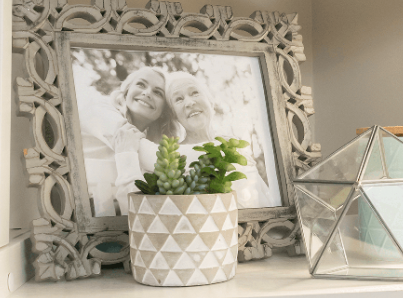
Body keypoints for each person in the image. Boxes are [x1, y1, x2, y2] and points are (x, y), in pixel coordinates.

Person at [164, 72, 273, 209]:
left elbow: (263, 200)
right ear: (174, 114)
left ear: (210, 101)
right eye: (178, 99)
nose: (190, 103)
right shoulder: (174, 157)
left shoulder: (234, 146)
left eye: (195, 93)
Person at [79, 66, 176, 215]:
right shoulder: (99, 109)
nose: (147, 93)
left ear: (164, 111)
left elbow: (136, 208)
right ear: (126, 92)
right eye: (141, 84)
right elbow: (127, 137)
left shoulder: (150, 148)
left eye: (158, 92)